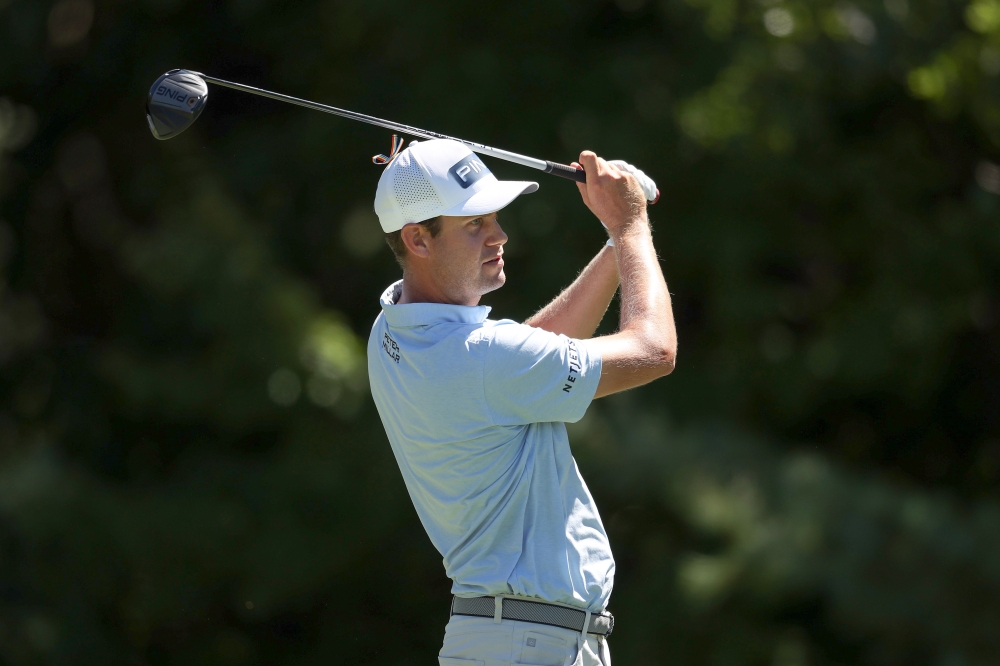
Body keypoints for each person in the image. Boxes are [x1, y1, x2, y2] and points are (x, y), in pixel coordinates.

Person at [367, 138, 676, 666]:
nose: (500, 235)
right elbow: (654, 350)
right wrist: (631, 227)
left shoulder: (392, 328)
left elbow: (528, 362)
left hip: (509, 639)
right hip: (527, 645)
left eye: (494, 218)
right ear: (417, 239)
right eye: (474, 225)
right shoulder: (482, 359)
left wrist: (614, 244)